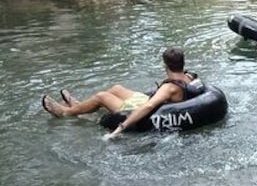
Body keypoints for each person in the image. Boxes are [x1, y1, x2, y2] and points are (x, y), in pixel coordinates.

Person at [40, 47, 194, 140]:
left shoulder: (170, 88)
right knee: (116, 89)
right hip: (156, 101)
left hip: (149, 111)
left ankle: (66, 112)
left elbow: (149, 106)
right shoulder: (187, 77)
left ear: (165, 64)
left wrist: (121, 127)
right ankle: (81, 107)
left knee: (102, 96)